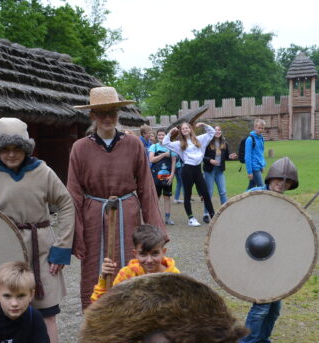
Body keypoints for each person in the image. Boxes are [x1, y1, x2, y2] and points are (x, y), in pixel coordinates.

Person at [0, 118, 74, 343]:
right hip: (5, 251)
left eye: (16, 148)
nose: (10, 154)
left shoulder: (43, 172)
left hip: (42, 251)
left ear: (26, 148)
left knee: (47, 312)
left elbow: (66, 204)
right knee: (8, 311)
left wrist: (61, 248)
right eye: (5, 149)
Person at [67, 86, 166, 310]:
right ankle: (97, 319)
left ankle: (131, 317)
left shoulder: (133, 145)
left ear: (118, 114)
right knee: (95, 266)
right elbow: (73, 192)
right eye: (101, 113)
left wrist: (156, 231)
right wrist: (77, 234)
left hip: (127, 212)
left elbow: (146, 188)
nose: (107, 118)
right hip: (94, 214)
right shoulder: (80, 148)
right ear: (92, 115)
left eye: (112, 112)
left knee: (131, 261)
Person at [232, 157, 300, 343]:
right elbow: (236, 221)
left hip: (274, 262)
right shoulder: (255, 197)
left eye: (287, 182)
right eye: (279, 181)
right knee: (260, 308)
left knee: (274, 308)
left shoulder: (283, 202)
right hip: (254, 260)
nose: (282, 185)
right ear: (270, 178)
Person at [161, 122, 217, 226]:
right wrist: (170, 133)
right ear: (181, 131)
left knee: (205, 193)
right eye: (183, 129)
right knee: (188, 194)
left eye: (187, 128)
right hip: (187, 170)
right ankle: (191, 218)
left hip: (197, 170)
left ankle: (213, 216)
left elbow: (212, 132)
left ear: (190, 129)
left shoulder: (199, 139)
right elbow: (165, 143)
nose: (185, 130)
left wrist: (204, 125)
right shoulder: (179, 143)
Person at [148, 128, 177, 225]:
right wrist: (164, 154)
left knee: (167, 197)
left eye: (163, 135)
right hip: (156, 177)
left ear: (166, 136)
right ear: (157, 136)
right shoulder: (154, 146)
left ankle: (168, 218)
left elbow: (173, 162)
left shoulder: (171, 147)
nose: (161, 137)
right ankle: (155, 218)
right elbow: (151, 159)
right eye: (159, 135)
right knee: (156, 197)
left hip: (167, 177)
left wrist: (172, 175)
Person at [202, 125, 237, 207]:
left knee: (223, 191)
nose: (217, 131)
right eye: (215, 130)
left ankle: (224, 212)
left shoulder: (224, 143)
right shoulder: (207, 142)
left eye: (219, 130)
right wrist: (210, 160)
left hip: (219, 170)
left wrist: (230, 157)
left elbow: (226, 156)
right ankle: (206, 214)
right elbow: (202, 156)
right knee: (209, 192)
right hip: (209, 171)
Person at [244, 119, 267, 190]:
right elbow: (247, 157)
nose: (260, 130)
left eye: (262, 128)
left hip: (259, 166)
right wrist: (249, 172)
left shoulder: (261, 138)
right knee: (262, 187)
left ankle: (243, 199)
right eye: (259, 128)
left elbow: (261, 153)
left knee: (251, 187)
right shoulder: (250, 139)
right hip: (254, 167)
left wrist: (262, 165)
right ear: (254, 127)